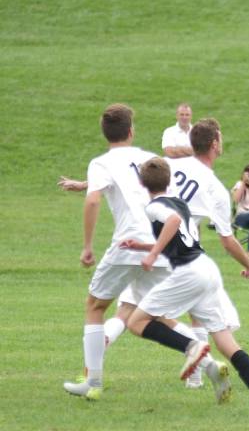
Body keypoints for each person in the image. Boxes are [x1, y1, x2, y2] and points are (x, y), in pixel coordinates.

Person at [122, 128, 249, 414]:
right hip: (206, 267)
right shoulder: (186, 202)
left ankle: (192, 350)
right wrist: (147, 246)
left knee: (136, 321)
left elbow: (169, 222)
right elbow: (181, 230)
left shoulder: (157, 204)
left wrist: (153, 252)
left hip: (186, 271)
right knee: (225, 340)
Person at [62, 103, 178, 400]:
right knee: (160, 316)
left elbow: (93, 202)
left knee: (95, 306)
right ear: (131, 131)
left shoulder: (100, 162)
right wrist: (86, 184)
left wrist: (87, 247)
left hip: (128, 244)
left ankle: (93, 383)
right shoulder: (148, 158)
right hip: (159, 245)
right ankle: (207, 359)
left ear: (105, 133)